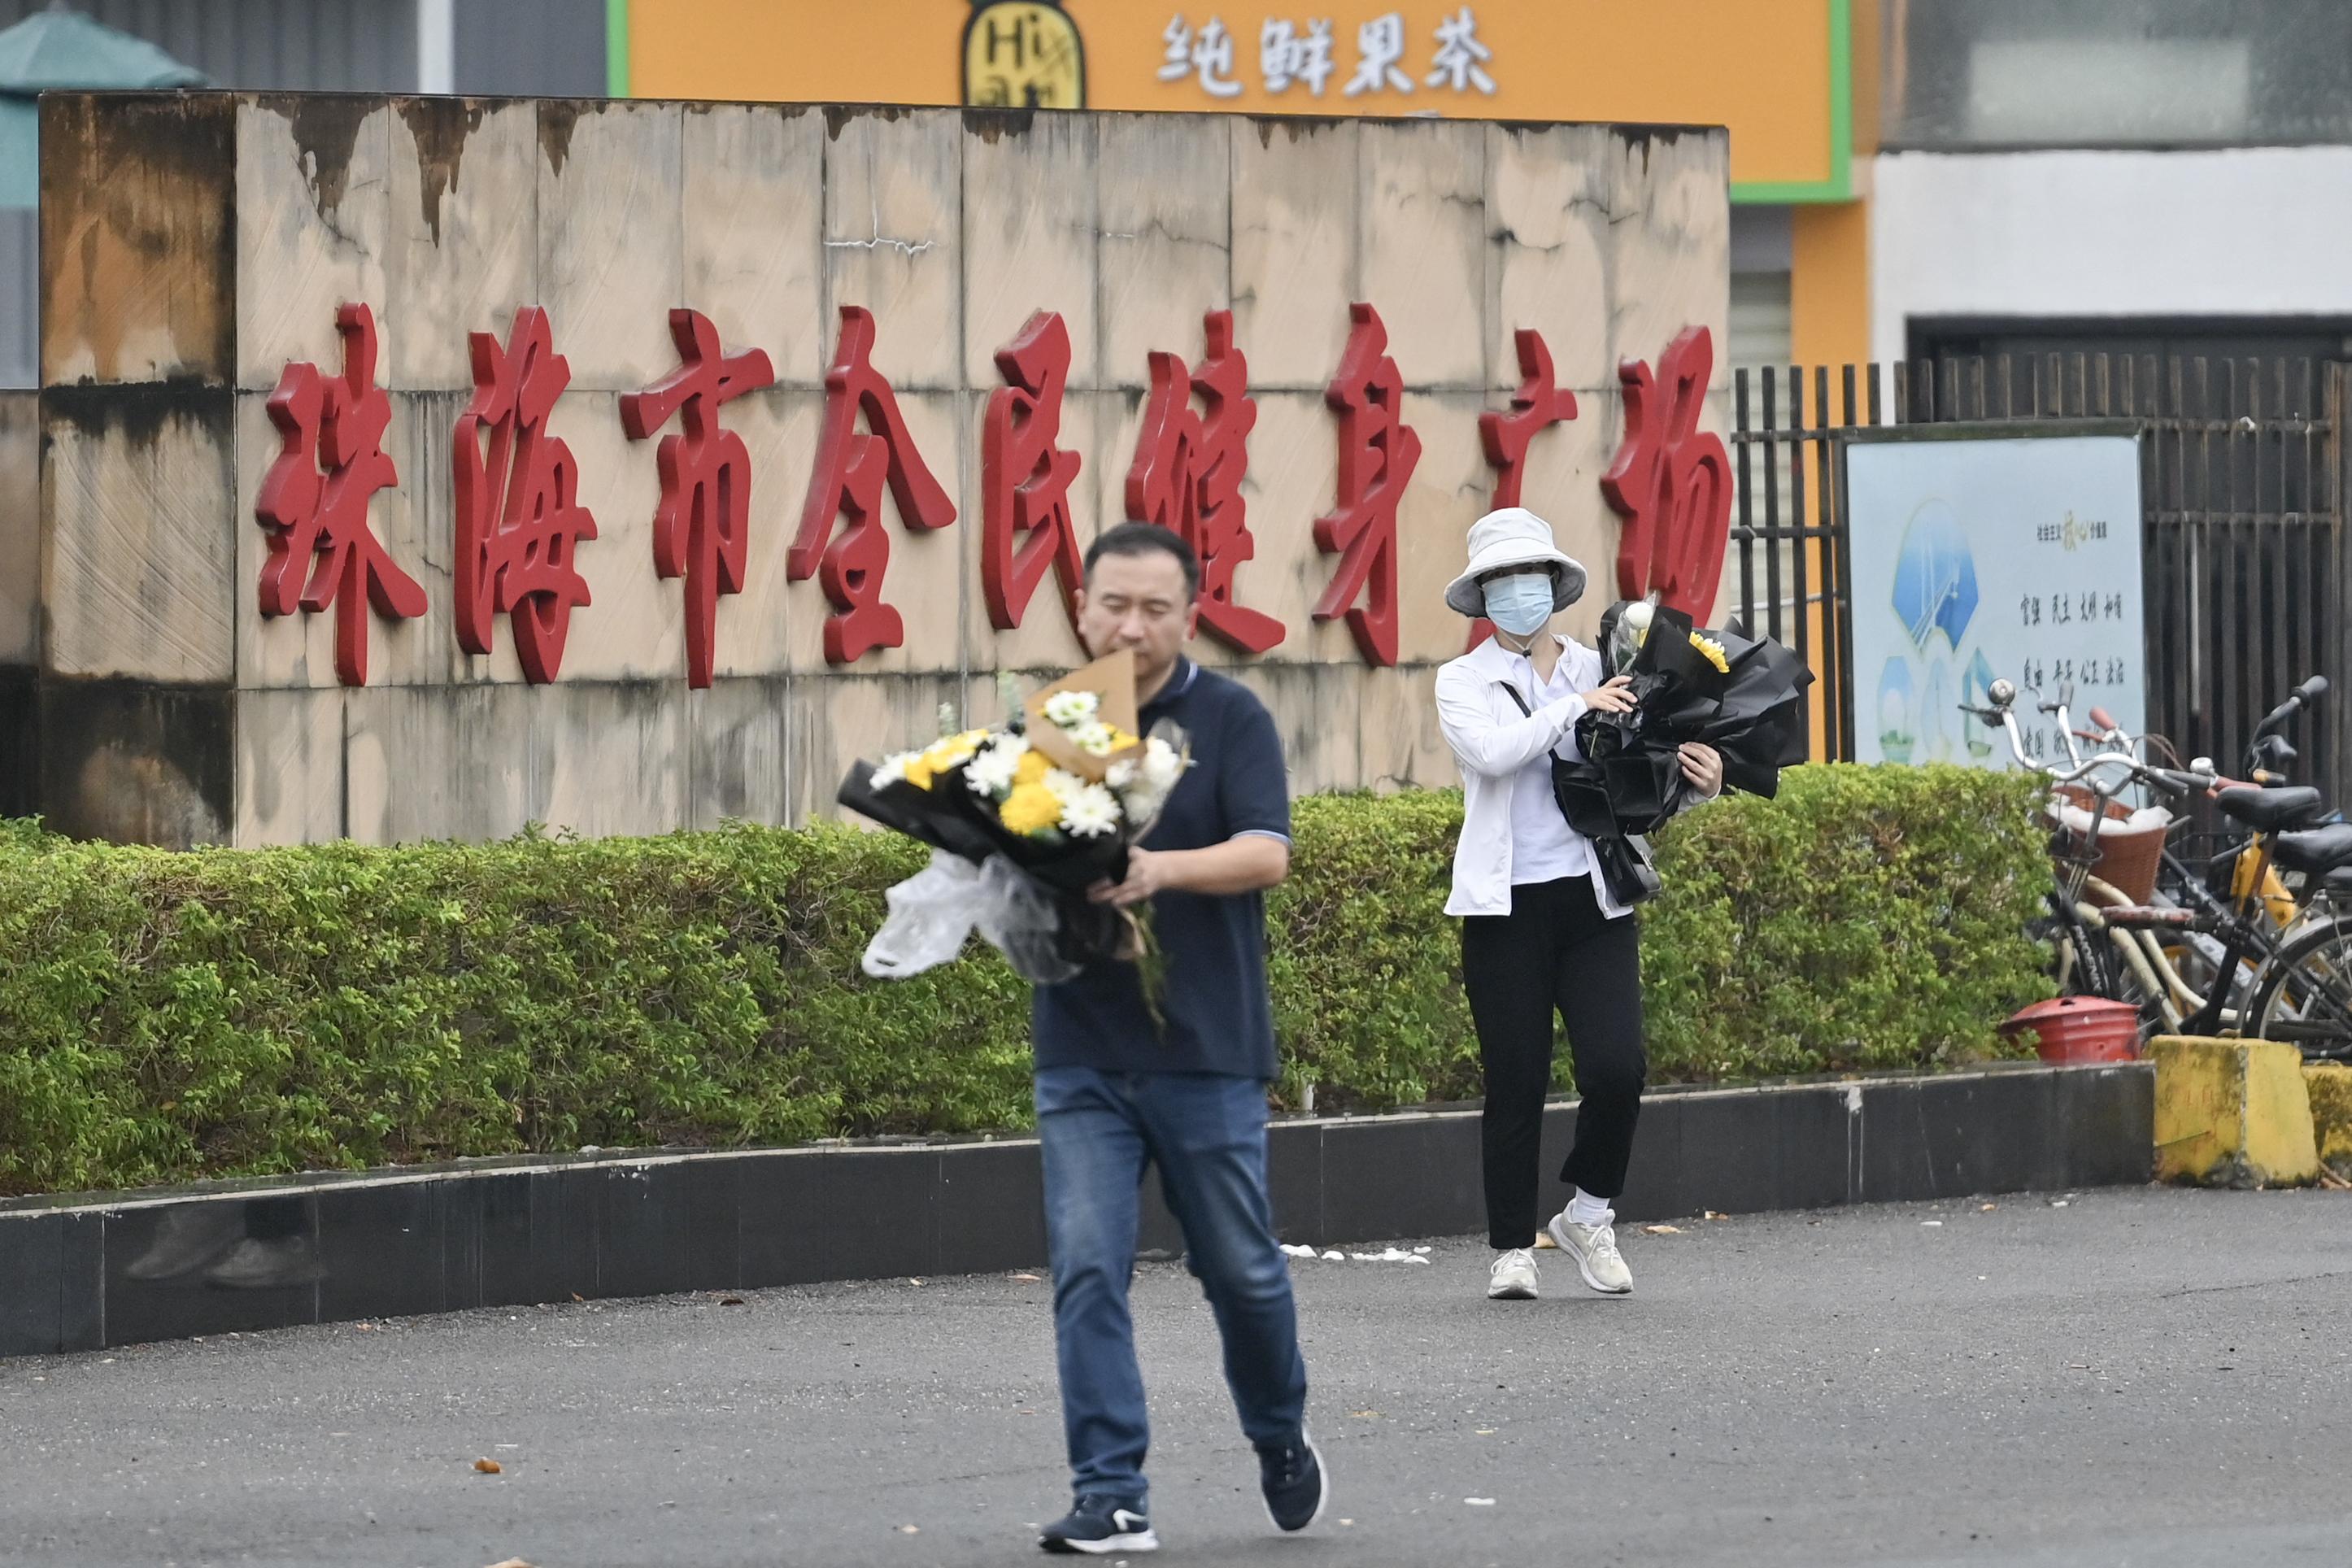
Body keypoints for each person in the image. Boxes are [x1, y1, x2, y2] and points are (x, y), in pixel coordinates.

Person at [1029, 522, 1325, 1556]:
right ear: (1082, 606)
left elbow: (1266, 851)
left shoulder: (1229, 715)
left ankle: (1279, 1430)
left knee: (1239, 1269)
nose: (1133, 625)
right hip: (1080, 1048)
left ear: (1189, 616)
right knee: (1085, 1264)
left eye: (1156, 608)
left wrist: (1158, 868)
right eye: (1115, 604)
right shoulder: (1065, 720)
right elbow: (1035, 854)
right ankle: (1111, 1491)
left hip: (1207, 1048)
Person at [1432, 507, 1723, 1303]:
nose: (1519, 590)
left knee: (1616, 1065)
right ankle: (1509, 1250)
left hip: (1593, 901)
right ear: (1482, 595)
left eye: (1531, 575)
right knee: (1516, 1077)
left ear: (1554, 585)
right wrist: (1575, 706)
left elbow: (1638, 789)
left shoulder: (1607, 665)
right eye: (1501, 579)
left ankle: (1589, 1213)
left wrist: (1696, 786)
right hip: (1503, 908)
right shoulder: (1463, 681)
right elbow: (1494, 755)